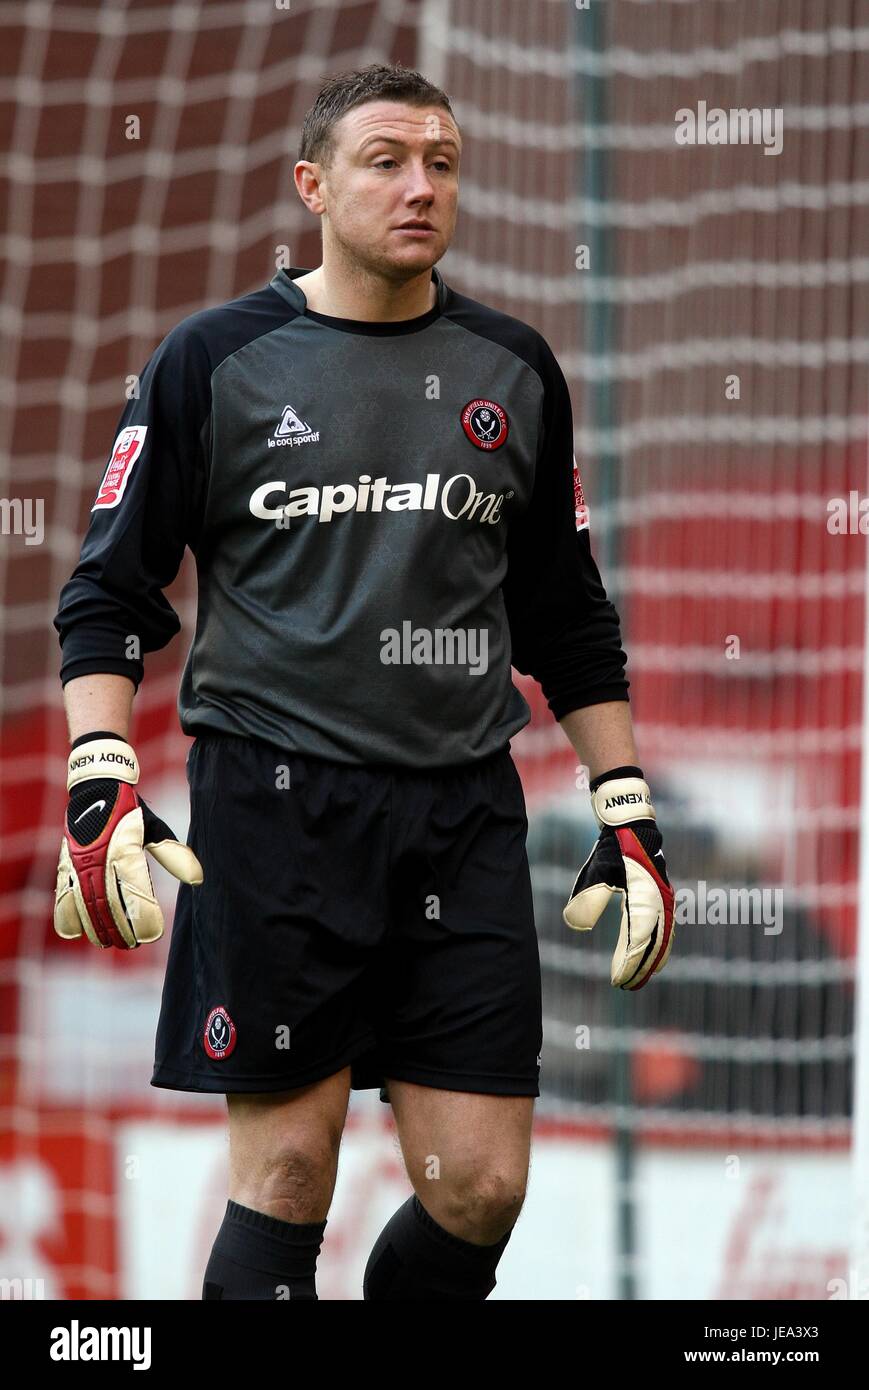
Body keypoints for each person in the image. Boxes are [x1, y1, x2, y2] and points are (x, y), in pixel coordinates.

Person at [52, 62, 674, 1301]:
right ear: (312, 186)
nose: (419, 186)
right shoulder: (214, 360)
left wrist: (624, 802)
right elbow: (107, 593)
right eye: (385, 160)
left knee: (479, 1187)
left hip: (461, 813)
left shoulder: (513, 368)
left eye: (441, 162)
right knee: (287, 1175)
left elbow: (564, 615)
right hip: (274, 806)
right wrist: (100, 772)